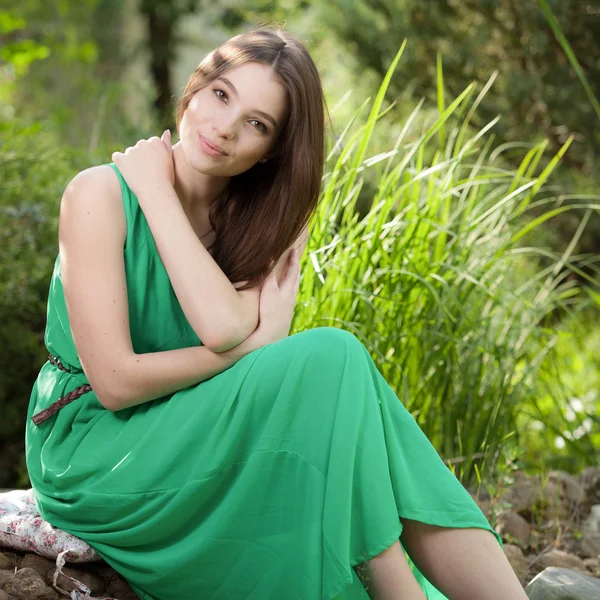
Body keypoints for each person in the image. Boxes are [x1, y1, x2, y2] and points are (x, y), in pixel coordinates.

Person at [25, 27, 528, 600]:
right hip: (92, 451)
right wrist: (157, 196)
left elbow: (224, 329)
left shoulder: (257, 219)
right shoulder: (99, 195)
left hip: (194, 427)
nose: (224, 128)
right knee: (334, 357)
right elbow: (116, 383)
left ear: (273, 150)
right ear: (194, 88)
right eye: (220, 95)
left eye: (257, 124)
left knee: (340, 373)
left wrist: (162, 198)